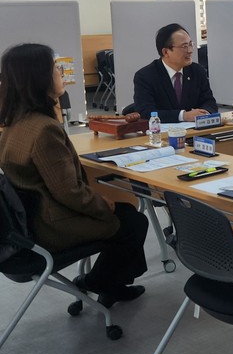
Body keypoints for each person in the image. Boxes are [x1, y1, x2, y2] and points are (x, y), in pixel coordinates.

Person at [0, 43, 148, 307]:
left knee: (127, 213)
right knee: (132, 221)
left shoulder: (13, 124)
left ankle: (113, 284)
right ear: (38, 78)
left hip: (28, 223)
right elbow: (69, 192)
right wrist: (102, 203)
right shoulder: (44, 130)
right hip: (50, 226)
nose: (61, 73)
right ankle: (97, 282)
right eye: (55, 68)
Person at [133, 23, 218, 123]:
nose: (190, 50)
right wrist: (183, 116)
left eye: (191, 44)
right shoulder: (145, 76)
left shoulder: (197, 71)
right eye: (184, 46)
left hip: (195, 130)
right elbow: (146, 112)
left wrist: (204, 114)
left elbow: (210, 103)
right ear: (166, 52)